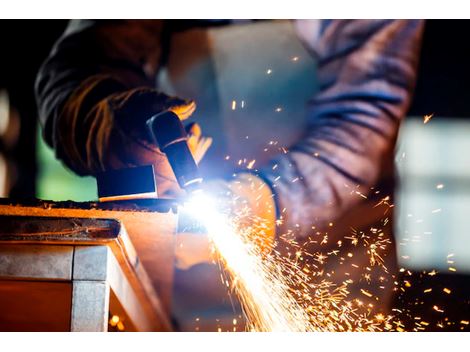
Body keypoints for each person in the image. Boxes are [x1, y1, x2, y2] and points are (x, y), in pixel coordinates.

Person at [36, 19, 424, 331]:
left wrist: (260, 203)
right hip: (173, 295)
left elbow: (363, 114)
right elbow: (76, 70)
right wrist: (113, 128)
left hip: (331, 283)